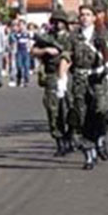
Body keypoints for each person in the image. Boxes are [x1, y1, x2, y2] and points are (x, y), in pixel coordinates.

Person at [62, 4, 108, 170]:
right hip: (79, 79)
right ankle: (89, 155)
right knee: (80, 117)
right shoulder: (73, 37)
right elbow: (66, 57)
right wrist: (62, 78)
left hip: (98, 78)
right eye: (82, 15)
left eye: (88, 14)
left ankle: (100, 139)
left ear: (93, 17)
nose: (84, 17)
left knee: (101, 111)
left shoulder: (101, 35)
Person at [31, 10, 73, 157]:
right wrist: (45, 50)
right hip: (51, 75)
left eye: (60, 21)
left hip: (70, 75)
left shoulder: (72, 37)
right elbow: (34, 50)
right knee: (53, 109)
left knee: (71, 108)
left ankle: (70, 136)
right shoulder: (48, 37)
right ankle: (59, 141)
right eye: (54, 21)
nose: (57, 24)